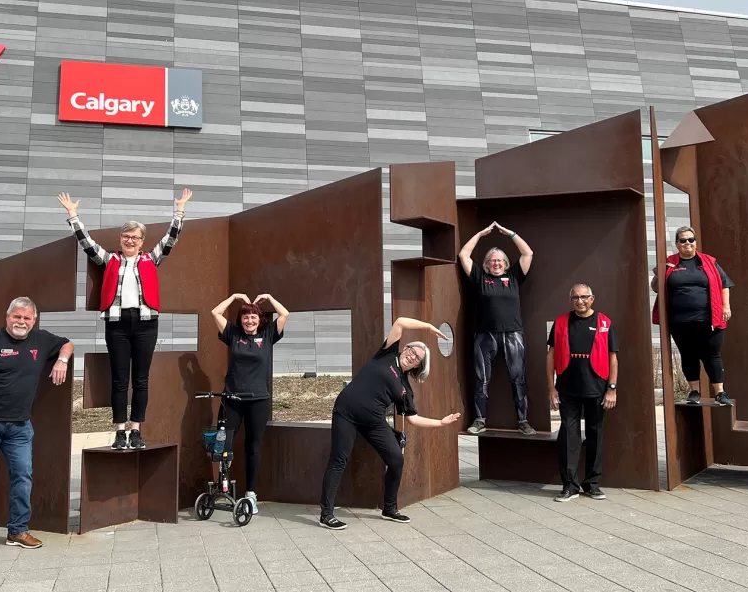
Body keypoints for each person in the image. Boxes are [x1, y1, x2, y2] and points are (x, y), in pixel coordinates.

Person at [57, 189, 193, 449]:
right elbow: (86, 242)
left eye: (135, 237)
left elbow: (171, 239)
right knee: (120, 379)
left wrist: (179, 211)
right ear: (120, 239)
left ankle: (136, 430)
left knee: (141, 379)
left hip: (145, 324)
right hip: (117, 324)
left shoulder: (151, 259)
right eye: (126, 236)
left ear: (142, 241)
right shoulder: (109, 259)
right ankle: (120, 431)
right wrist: (73, 214)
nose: (130, 240)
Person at [318, 317, 461, 530]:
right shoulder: (388, 354)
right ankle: (326, 514)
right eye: (412, 351)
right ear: (405, 349)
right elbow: (401, 322)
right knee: (339, 460)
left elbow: (412, 418)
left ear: (418, 366)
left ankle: (390, 508)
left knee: (396, 459)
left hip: (373, 422)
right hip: (345, 413)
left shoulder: (404, 388)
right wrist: (429, 327)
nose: (412, 356)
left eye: (417, 359)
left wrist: (440, 422)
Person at [0, 297, 73, 553]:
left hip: (20, 426)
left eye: (26, 318)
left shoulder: (41, 340)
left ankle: (18, 530)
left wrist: (61, 360)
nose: (21, 322)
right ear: (7, 317)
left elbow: (68, 343)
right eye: (16, 317)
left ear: (33, 321)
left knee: (23, 476)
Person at [211, 292, 289, 515]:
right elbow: (215, 312)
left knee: (252, 447)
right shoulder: (233, 334)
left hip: (258, 401)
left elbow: (285, 314)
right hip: (232, 399)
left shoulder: (268, 335)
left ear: (259, 319)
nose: (249, 321)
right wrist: (235, 297)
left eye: (253, 316)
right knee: (222, 444)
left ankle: (251, 495)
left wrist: (269, 297)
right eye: (246, 317)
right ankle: (222, 487)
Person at [459, 221, 535, 435]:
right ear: (486, 264)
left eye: (500, 260)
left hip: (513, 334)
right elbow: (464, 255)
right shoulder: (480, 278)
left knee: (518, 378)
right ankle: (479, 420)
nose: (496, 263)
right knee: (481, 379)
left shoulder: (513, 277)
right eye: (492, 261)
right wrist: (480, 234)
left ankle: (523, 421)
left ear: (506, 263)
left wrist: (509, 233)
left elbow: (527, 253)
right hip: (485, 335)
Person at [547, 284, 618, 502]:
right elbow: (550, 356)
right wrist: (551, 387)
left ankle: (592, 484)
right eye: (576, 297)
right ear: (571, 300)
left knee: (595, 435)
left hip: (597, 388)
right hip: (568, 388)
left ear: (592, 298)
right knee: (568, 436)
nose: (580, 301)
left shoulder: (605, 322)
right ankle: (569, 486)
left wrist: (612, 389)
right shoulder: (560, 322)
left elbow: (613, 357)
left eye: (584, 297)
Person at [651, 226, 735, 406]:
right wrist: (658, 275)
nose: (687, 243)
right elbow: (656, 288)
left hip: (709, 319)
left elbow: (724, 284)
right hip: (680, 322)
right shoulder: (669, 263)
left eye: (691, 239)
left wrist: (725, 306)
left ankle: (720, 393)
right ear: (677, 244)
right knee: (688, 355)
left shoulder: (708, 262)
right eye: (683, 240)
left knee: (712, 355)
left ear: (695, 242)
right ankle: (694, 392)